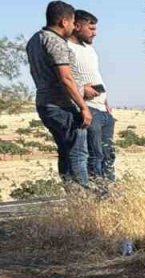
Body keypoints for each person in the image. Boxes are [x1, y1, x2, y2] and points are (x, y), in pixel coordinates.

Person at [26, 1, 94, 191]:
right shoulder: (55, 42)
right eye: (73, 22)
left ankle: (72, 196)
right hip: (60, 105)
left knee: (64, 151)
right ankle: (83, 199)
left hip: (44, 103)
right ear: (64, 22)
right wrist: (83, 106)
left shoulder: (34, 39)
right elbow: (65, 78)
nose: (73, 27)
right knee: (78, 153)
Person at [68, 9, 114, 184]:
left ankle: (111, 189)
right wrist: (81, 90)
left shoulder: (90, 49)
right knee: (95, 155)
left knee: (109, 153)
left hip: (103, 108)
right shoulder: (66, 47)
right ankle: (99, 193)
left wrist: (106, 102)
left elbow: (95, 75)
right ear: (77, 26)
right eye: (91, 29)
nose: (95, 33)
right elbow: (64, 79)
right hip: (88, 108)